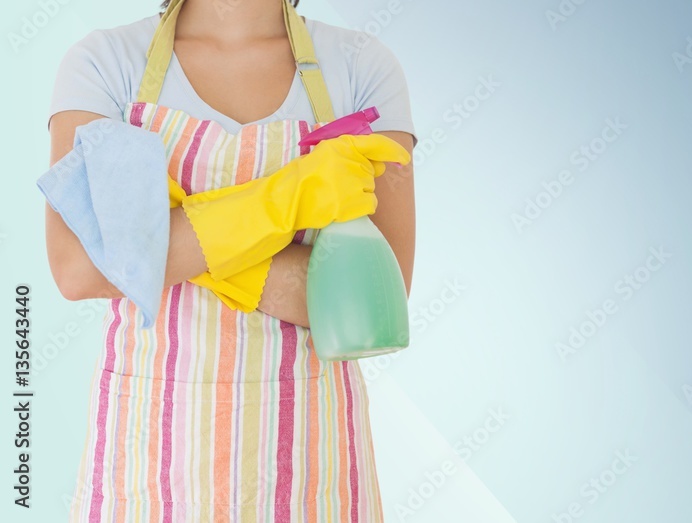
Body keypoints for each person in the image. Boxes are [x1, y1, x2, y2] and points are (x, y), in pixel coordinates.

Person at [45, 0, 416, 520]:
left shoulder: (359, 65)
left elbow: (373, 301)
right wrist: (283, 201)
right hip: (149, 459)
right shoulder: (106, 63)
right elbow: (79, 269)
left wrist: (157, 237)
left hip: (309, 459)